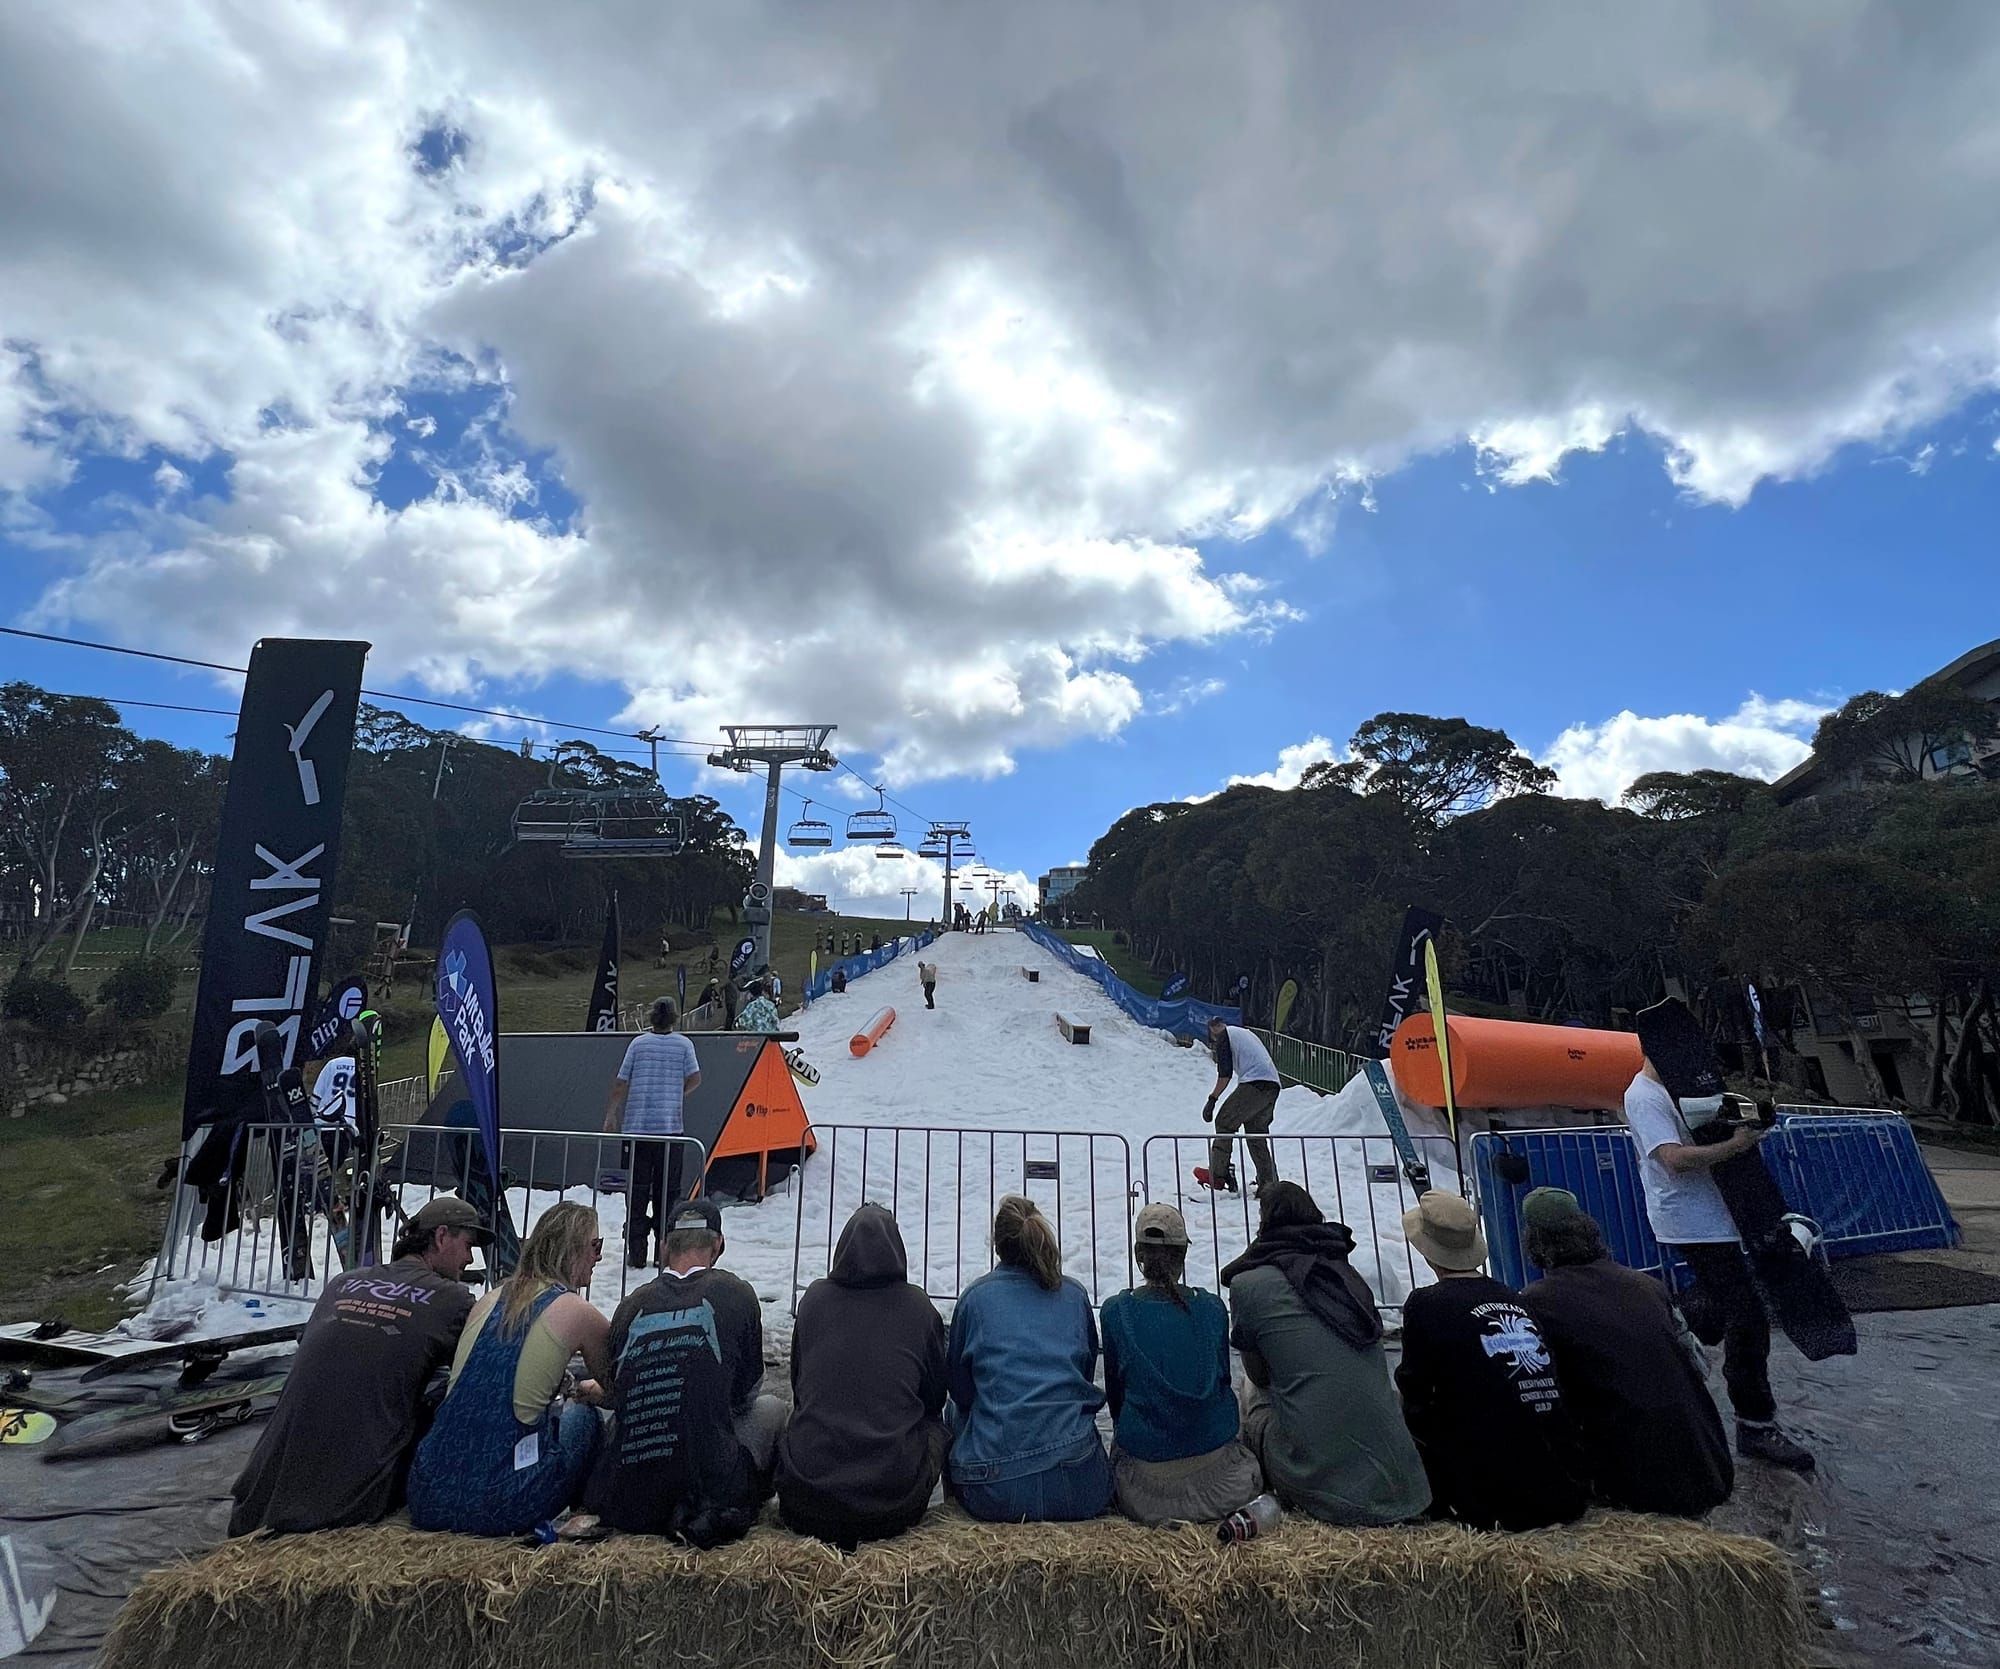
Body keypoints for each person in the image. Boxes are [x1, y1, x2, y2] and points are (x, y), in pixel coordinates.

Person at [228, 1197, 483, 1536]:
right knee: (460, 1395)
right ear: (440, 1237)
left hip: (259, 1497)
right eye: (467, 1245)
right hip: (349, 1504)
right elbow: (482, 1377)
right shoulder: (453, 1299)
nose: (469, 1259)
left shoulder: (343, 1283)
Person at [1623, 1057, 1813, 1470]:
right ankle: (1755, 1423)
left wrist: (1748, 1128)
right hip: (1689, 1222)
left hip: (1721, 1214)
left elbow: (1712, 1130)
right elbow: (1673, 1159)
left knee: (1720, 1305)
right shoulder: (1643, 1095)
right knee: (1748, 1317)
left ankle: (1666, 1329)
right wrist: (1736, 1146)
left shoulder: (1687, 1084)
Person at [1517, 1187, 1734, 1517]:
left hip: (1635, 1484)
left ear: (1533, 1243)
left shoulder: (1536, 1301)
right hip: (1710, 1464)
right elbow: (1699, 1365)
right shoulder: (1647, 1285)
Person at [1221, 1182, 1428, 1526]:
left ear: (1264, 1222)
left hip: (1321, 1486)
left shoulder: (1250, 1284)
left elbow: (1260, 1377)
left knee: (1250, 1390)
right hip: (1404, 1485)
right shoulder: (1347, 1278)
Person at [406, 1202, 612, 1535]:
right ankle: (593, 1512)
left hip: (428, 1494)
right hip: (501, 1503)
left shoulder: (490, 1299)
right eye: (595, 1246)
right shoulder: (578, 1311)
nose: (598, 1257)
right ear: (573, 1250)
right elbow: (621, 1388)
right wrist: (587, 1391)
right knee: (582, 1418)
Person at [590, 1200, 785, 1546]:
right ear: (718, 1246)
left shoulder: (630, 1305)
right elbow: (745, 1395)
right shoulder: (738, 1294)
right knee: (771, 1409)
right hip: (708, 1491)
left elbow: (619, 1393)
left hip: (630, 1499)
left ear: (664, 1247)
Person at [1393, 1192, 1586, 1531]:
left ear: (1426, 1251)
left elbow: (1415, 1394)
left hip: (1493, 1499)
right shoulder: (1514, 1296)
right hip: (1563, 1487)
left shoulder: (1426, 1303)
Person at [777, 1204, 949, 1548]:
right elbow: (934, 1398)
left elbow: (799, 1386)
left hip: (808, 1500)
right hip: (892, 1504)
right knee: (939, 1427)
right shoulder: (918, 1307)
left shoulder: (814, 1300)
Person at [946, 1196, 1112, 1522]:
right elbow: (1083, 1373)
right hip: (1077, 1482)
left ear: (998, 1245)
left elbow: (960, 1391)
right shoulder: (1074, 1294)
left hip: (994, 1491)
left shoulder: (975, 1299)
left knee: (954, 1410)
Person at [1100, 1204, 1263, 1526]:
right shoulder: (1213, 1308)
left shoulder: (1116, 1311)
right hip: (1226, 1485)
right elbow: (1222, 1383)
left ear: (1138, 1254)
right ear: (1183, 1256)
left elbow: (1117, 1405)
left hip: (1144, 1495)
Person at [603, 998, 701, 1269]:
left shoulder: (638, 1044)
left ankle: (636, 1253)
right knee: (668, 1194)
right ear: (674, 1018)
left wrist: (611, 1113)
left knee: (635, 1193)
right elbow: (695, 1077)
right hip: (670, 1130)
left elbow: (621, 1082)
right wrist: (677, 1094)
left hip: (637, 1129)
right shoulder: (684, 1045)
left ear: (651, 1018)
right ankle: (664, 1252)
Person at [1202, 1017, 1283, 1196]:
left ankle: (1219, 1174)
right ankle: (1268, 1183)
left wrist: (1212, 1099)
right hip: (1272, 1085)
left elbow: (1225, 1075)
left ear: (1213, 1029)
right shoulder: (1242, 1033)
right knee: (1255, 1134)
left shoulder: (1224, 1037)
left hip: (1255, 1084)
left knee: (1225, 1121)